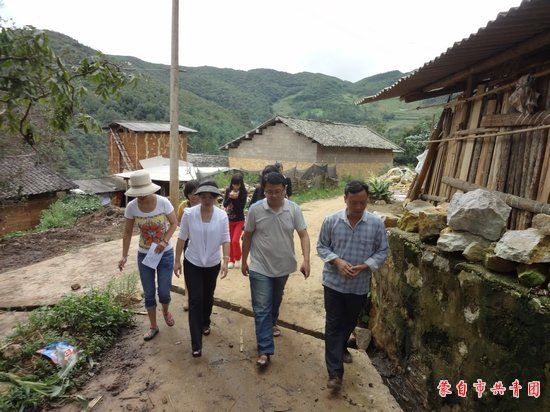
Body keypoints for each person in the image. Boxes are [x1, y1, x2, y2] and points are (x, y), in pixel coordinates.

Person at [316, 180, 389, 393]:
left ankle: (340, 348)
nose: (358, 207)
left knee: (348, 324)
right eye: (354, 202)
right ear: (345, 199)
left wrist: (366, 265)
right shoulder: (331, 221)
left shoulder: (376, 224)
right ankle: (335, 373)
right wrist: (337, 262)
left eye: (363, 203)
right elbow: (322, 246)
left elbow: (383, 251)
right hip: (333, 283)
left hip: (358, 286)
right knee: (333, 324)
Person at [241, 171, 311, 367]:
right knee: (261, 306)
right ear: (264, 190)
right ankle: (265, 349)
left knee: (275, 298)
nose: (273, 195)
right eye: (269, 192)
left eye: (277, 191)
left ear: (284, 190)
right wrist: (244, 260)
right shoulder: (255, 210)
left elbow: (303, 235)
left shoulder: (294, 209)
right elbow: (247, 236)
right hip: (260, 266)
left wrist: (306, 259)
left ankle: (272, 323)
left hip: (283, 266)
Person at [118, 170, 178, 341]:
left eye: (143, 193)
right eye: (138, 194)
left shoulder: (163, 202)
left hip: (165, 254)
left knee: (164, 292)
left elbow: (174, 223)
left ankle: (166, 312)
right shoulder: (131, 207)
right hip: (145, 256)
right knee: (149, 293)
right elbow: (127, 232)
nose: (141, 197)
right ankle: (153, 326)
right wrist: (124, 255)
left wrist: (164, 241)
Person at [174, 181, 230, 357]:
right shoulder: (189, 214)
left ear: (215, 198)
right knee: (195, 300)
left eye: (210, 197)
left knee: (208, 296)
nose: (206, 199)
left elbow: (226, 238)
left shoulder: (222, 216)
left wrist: (226, 261)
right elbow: (182, 238)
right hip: (193, 262)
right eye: (203, 196)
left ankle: (206, 321)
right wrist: (177, 260)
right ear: (197, 197)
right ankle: (196, 343)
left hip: (213, 263)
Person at [175, 180, 200, 312]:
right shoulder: (184, 206)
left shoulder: (205, 203)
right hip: (188, 241)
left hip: (202, 242)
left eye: (195, 192)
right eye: (190, 193)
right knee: (189, 268)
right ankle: (187, 295)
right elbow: (178, 222)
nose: (193, 196)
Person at [223, 173, 248, 269]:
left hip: (239, 220)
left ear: (241, 184)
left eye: (237, 184)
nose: (235, 186)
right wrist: (230, 197)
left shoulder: (243, 193)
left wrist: (236, 199)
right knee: (229, 241)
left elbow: (241, 208)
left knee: (235, 241)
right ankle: (231, 259)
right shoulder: (228, 190)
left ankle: (237, 258)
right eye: (234, 184)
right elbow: (225, 204)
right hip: (229, 220)